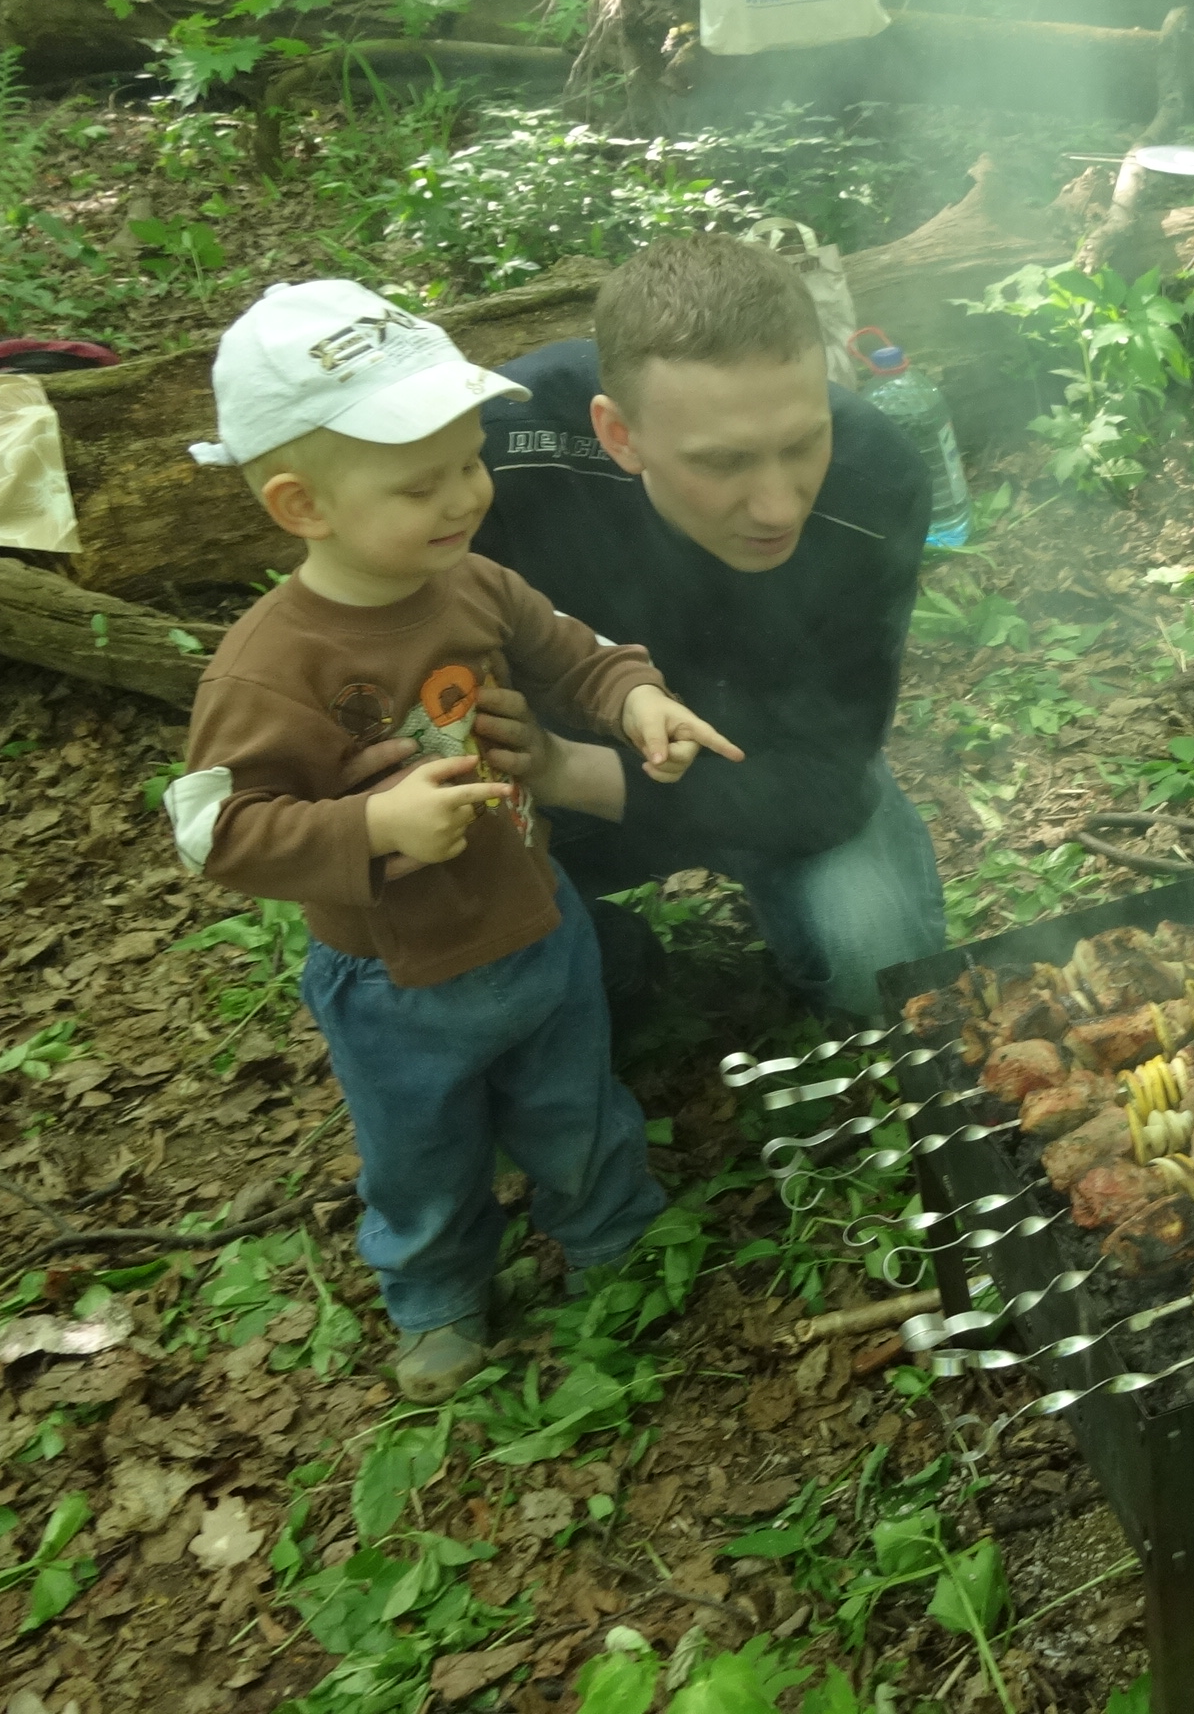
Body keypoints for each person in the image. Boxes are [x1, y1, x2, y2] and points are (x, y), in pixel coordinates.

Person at [166, 280, 742, 1402]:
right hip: (395, 977)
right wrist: (372, 826)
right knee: (419, 1147)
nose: (466, 495)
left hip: (535, 915)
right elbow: (218, 831)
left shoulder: (471, 583)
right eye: (420, 482)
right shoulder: (270, 664)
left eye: (470, 463)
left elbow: (574, 647)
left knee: (573, 1097)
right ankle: (436, 1293)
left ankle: (610, 1232)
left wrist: (635, 700)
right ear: (301, 505)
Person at [468, 234, 944, 1025]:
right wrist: (541, 775)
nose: (779, 506)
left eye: (803, 442)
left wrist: (570, 769)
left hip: (765, 770)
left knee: (881, 969)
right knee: (481, 989)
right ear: (619, 434)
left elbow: (830, 778)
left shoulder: (876, 479)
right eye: (723, 463)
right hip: (543, 796)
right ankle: (602, 959)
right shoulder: (494, 456)